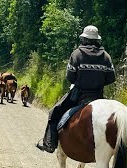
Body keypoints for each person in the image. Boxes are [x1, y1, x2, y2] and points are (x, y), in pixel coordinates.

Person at [36, 25, 116, 153]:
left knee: (54, 112)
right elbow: (111, 78)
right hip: (98, 96)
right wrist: (98, 82)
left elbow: (70, 77)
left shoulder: (77, 54)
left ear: (84, 39)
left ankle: (49, 144)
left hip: (79, 94)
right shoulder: (106, 56)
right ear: (97, 40)